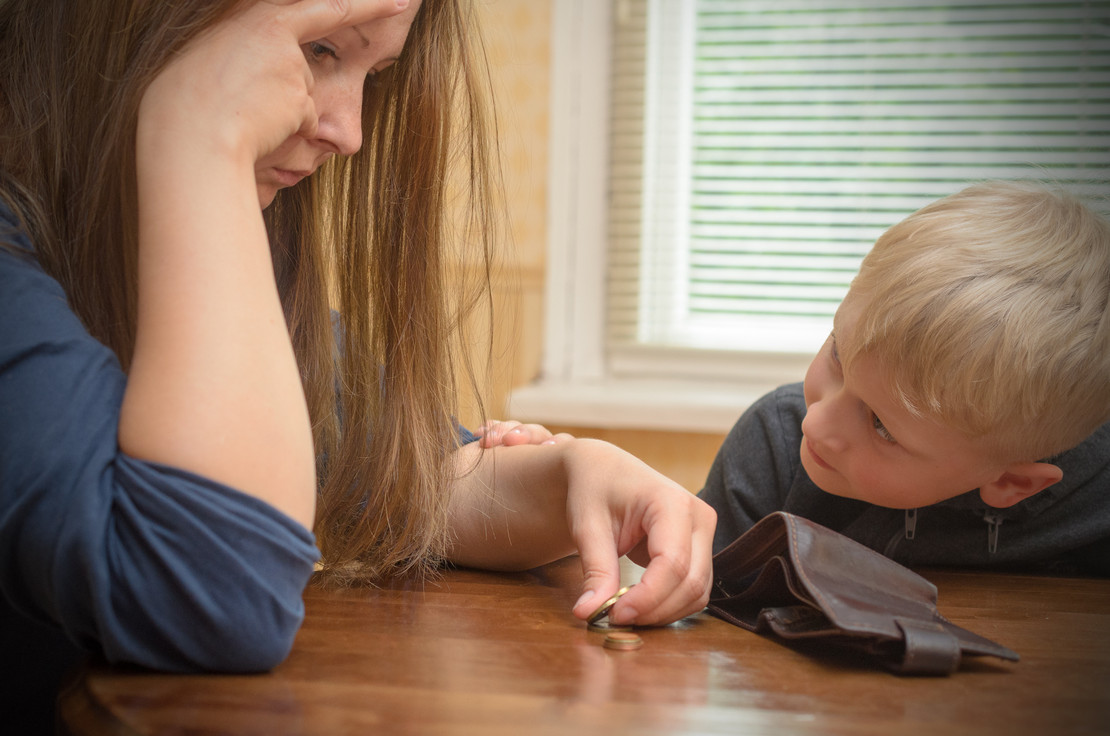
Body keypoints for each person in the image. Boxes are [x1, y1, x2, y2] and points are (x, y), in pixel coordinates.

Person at [0, 0, 716, 730]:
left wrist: (574, 473)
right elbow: (220, 600)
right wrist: (198, 127)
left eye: (375, 72)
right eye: (319, 52)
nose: (349, 130)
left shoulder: (254, 283)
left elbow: (411, 482)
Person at [699, 180, 1110, 576]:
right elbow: (707, 608)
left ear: (1010, 481)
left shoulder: (1096, 504)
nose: (815, 424)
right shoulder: (773, 448)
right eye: (838, 354)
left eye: (882, 426)